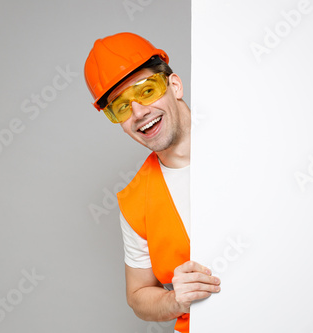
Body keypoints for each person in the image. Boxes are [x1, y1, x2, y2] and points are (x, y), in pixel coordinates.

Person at [84, 32, 221, 333]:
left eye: (146, 91)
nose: (138, 112)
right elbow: (137, 296)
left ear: (174, 85)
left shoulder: (243, 135)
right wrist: (176, 301)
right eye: (121, 107)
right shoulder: (135, 202)